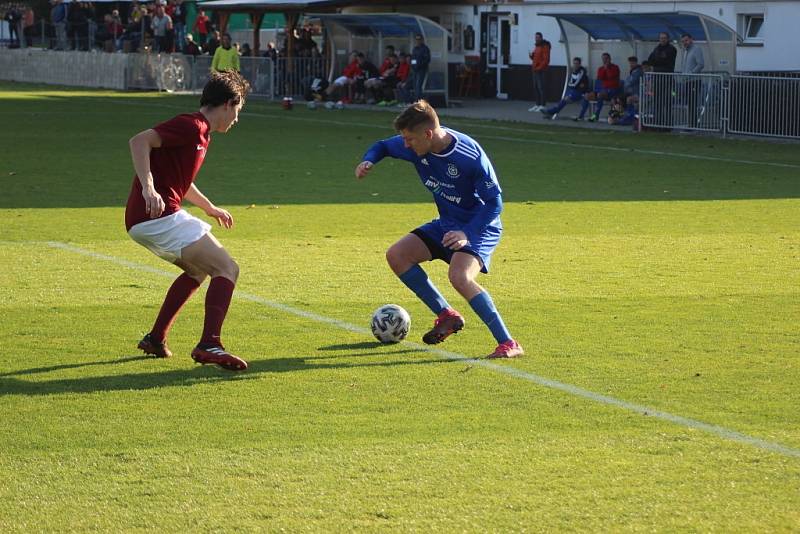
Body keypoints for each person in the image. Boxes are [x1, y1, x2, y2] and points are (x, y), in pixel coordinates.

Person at [354, 101, 524, 359]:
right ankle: (446, 315)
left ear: (428, 134)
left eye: (410, 139)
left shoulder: (469, 157)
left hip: (479, 226)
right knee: (397, 255)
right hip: (447, 223)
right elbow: (383, 146)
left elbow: (494, 204)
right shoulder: (415, 145)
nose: (406, 145)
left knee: (460, 277)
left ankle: (509, 344)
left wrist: (467, 233)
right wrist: (368, 160)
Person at [126, 71, 251, 371]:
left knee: (197, 271)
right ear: (227, 104)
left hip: (147, 219)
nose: (236, 119)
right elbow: (139, 141)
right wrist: (148, 188)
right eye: (238, 111)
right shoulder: (191, 125)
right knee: (227, 268)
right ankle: (210, 343)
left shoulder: (201, 133)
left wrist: (209, 208)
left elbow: (181, 181)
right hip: (156, 216)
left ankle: (156, 338)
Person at [575, 52, 621, 122]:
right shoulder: (601, 68)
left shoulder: (615, 67)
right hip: (602, 90)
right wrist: (604, 69)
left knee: (600, 95)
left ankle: (595, 116)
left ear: (609, 59)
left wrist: (607, 69)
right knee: (587, 96)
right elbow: (600, 77)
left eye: (606, 59)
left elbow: (611, 76)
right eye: (603, 59)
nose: (604, 60)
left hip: (612, 91)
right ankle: (581, 116)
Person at [647, 32, 677, 128]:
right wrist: (658, 61)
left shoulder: (672, 49)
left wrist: (657, 62)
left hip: (667, 79)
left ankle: (668, 124)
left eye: (664, 38)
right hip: (657, 79)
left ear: (668, 39)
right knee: (657, 101)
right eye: (661, 38)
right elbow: (650, 60)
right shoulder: (656, 48)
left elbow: (666, 61)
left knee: (667, 101)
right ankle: (658, 123)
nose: (662, 40)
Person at [527, 32, 551, 112]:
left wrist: (539, 68)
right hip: (535, 69)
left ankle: (542, 105)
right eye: (535, 37)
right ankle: (537, 104)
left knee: (541, 88)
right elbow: (535, 58)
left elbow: (546, 60)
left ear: (541, 38)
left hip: (541, 70)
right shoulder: (537, 46)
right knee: (536, 87)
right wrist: (531, 56)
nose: (536, 38)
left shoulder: (544, 46)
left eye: (537, 37)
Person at [410, 34, 431, 101]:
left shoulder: (425, 49)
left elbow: (427, 59)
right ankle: (416, 100)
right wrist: (413, 66)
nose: (418, 41)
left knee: (419, 85)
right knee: (415, 85)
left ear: (422, 40)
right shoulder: (415, 49)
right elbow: (413, 58)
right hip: (415, 69)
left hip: (421, 69)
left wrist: (419, 65)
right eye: (417, 39)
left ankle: (418, 100)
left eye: (419, 39)